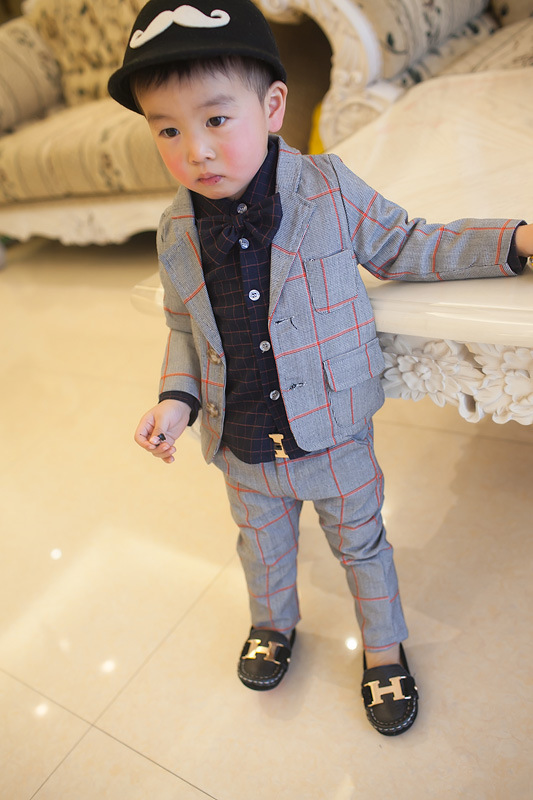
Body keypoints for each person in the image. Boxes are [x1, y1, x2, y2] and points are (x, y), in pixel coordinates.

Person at [108, 0, 532, 736]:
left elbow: (408, 244)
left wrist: (514, 241)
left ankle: (383, 648)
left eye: (216, 119)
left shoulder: (329, 190)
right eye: (167, 129)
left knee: (361, 546)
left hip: (333, 433)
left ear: (272, 107)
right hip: (241, 445)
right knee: (260, 546)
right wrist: (176, 401)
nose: (195, 150)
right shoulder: (176, 228)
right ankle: (272, 624)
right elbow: (183, 326)